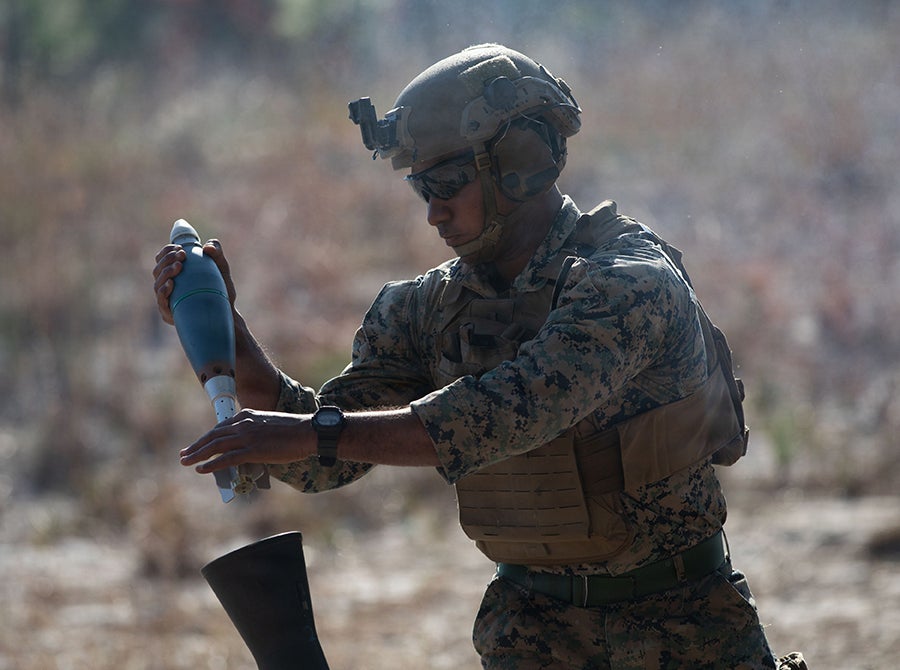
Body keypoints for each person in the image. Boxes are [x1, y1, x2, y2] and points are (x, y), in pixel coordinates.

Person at [154, 44, 805, 670]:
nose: (433, 211)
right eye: (422, 188)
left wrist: (312, 433)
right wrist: (233, 340)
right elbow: (324, 457)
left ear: (520, 162)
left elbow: (508, 411)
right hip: (530, 633)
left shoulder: (628, 283)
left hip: (683, 629)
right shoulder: (426, 309)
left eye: (447, 182)